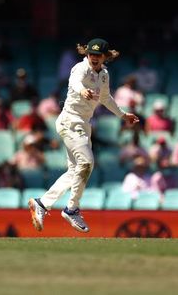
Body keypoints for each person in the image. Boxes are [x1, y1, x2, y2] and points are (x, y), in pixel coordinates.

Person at [28, 38, 139, 233]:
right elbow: (75, 83)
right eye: (91, 54)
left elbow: (105, 98)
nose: (94, 58)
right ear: (86, 54)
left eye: (98, 55)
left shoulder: (104, 74)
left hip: (83, 126)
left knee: (74, 172)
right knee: (87, 163)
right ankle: (72, 209)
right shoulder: (80, 68)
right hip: (70, 122)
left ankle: (42, 203)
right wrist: (83, 91)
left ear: (105, 57)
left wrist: (122, 115)